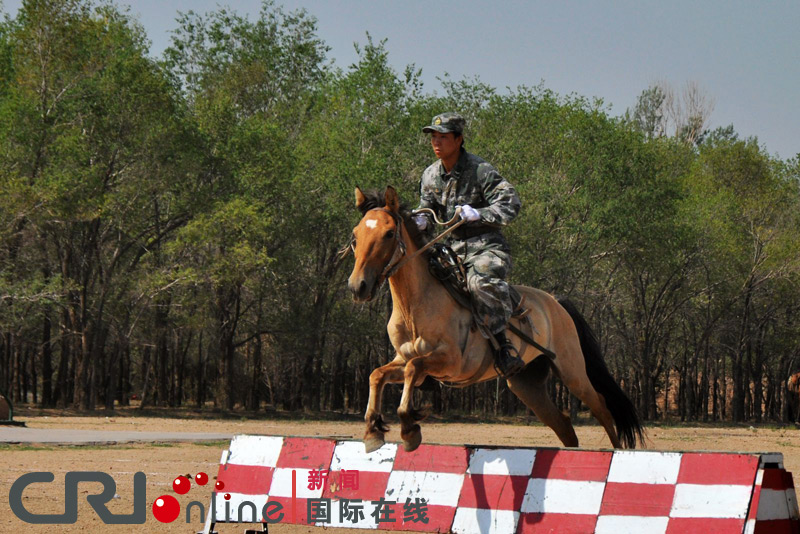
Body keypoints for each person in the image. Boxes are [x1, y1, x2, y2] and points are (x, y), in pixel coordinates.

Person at [414, 112, 525, 378]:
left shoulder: (480, 170)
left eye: (443, 137)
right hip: (449, 250)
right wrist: (419, 219)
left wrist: (480, 214)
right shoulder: (430, 175)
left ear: (458, 139)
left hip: (485, 246)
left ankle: (503, 347)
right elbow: (428, 211)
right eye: (433, 137)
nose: (436, 143)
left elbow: (511, 203)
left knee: (479, 283)